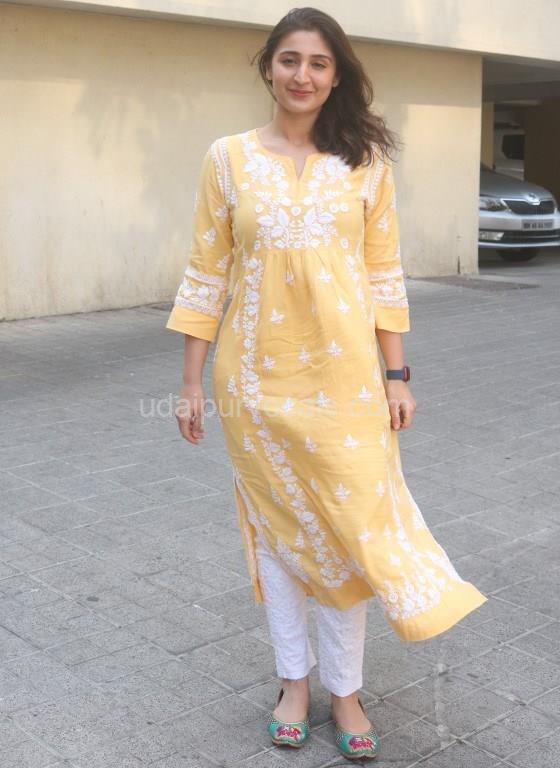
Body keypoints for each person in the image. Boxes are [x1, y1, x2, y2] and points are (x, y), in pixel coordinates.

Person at [165, 6, 488, 761]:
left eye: (318, 63)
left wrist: (397, 374)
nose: (302, 75)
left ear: (336, 75)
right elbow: (206, 272)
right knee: (279, 534)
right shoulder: (227, 159)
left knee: (349, 531)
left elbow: (383, 273)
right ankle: (293, 683)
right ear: (268, 68)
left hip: (346, 383)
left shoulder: (366, 163)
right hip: (253, 381)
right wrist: (190, 384)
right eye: (289, 60)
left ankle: (346, 691)